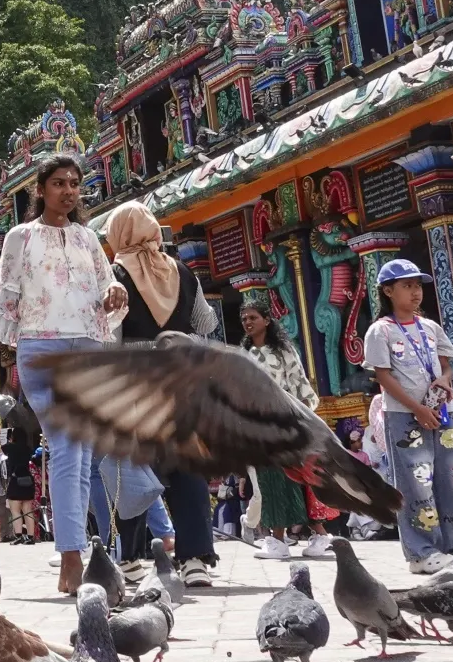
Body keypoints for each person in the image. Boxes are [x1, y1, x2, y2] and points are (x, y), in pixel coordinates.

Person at [0, 156, 128, 593]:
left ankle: (77, 555)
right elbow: (4, 299)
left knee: (79, 458)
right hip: (41, 345)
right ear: (41, 189)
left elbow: (106, 287)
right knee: (63, 449)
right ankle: (71, 557)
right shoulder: (21, 238)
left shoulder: (87, 238)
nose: (68, 191)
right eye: (58, 183)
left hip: (89, 346)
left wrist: (115, 290)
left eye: (75, 183)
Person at [105, 200, 220, 586]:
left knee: (134, 468)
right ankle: (195, 560)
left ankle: (133, 558)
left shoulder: (116, 275)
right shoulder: (183, 271)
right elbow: (206, 321)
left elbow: (111, 338)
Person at [362, 259, 453, 574]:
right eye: (407, 285)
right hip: (405, 416)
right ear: (388, 291)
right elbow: (383, 377)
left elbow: (447, 364)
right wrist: (417, 408)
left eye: (418, 285)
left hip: (442, 414)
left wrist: (445, 380)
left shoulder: (430, 326)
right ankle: (421, 553)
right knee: (415, 485)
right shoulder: (380, 331)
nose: (415, 292)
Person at [238, 302, 333, 560]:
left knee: (287, 480)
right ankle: (305, 536)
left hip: (285, 424)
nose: (248, 322)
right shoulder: (242, 355)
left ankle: (280, 539)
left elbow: (300, 384)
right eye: (244, 318)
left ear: (267, 319)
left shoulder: (283, 352)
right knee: (272, 482)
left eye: (253, 317)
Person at [4, 426, 39, 543]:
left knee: (15, 511)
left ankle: (18, 536)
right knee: (28, 510)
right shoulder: (28, 448)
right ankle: (30, 536)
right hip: (28, 480)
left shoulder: (11, 447)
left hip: (16, 481)